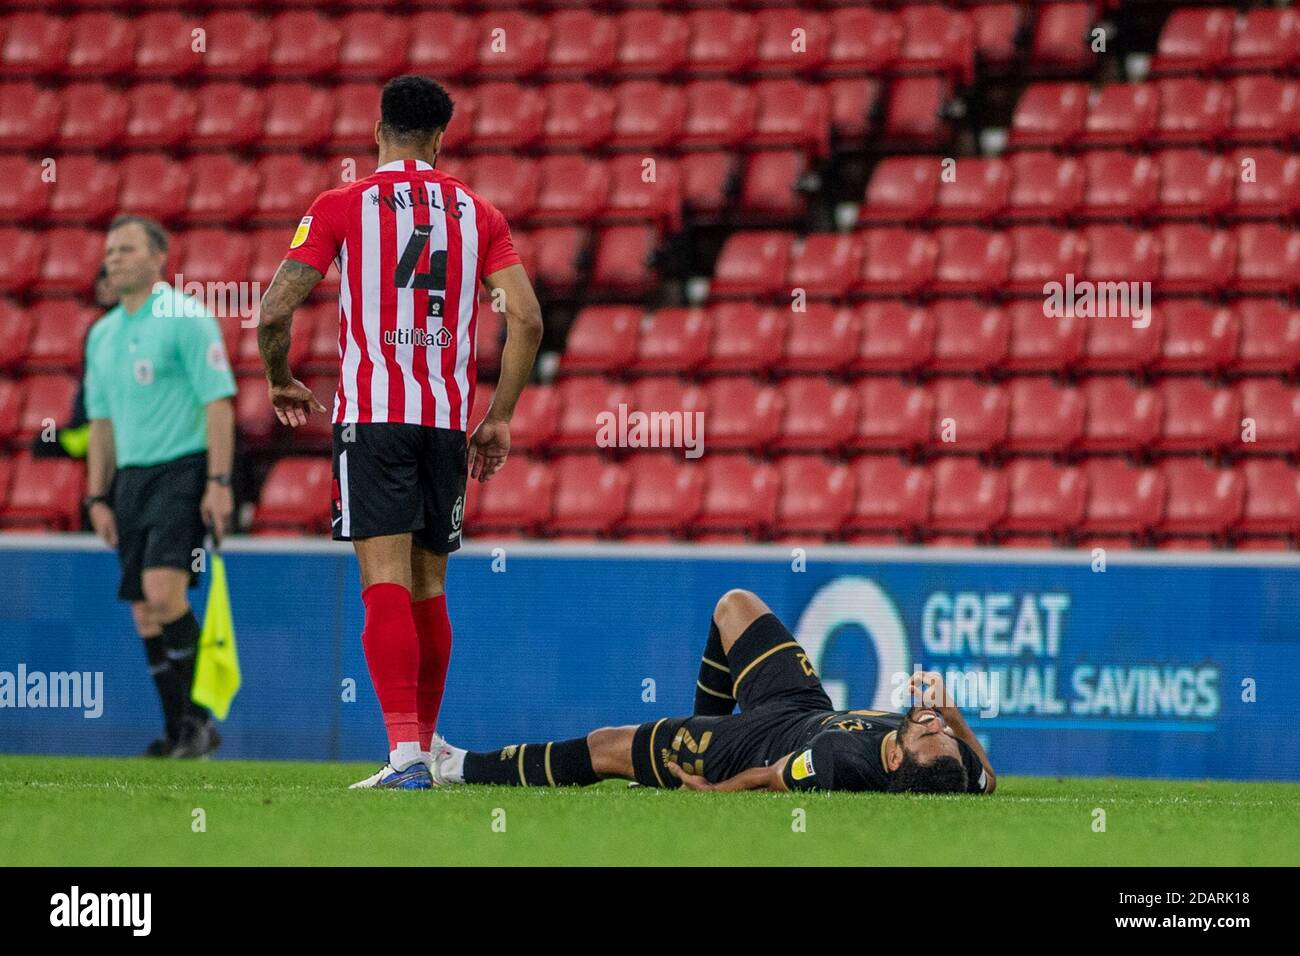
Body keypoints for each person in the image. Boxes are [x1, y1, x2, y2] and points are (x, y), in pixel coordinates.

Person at [256, 76, 543, 789]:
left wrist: (279, 377)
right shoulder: (481, 214)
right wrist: (498, 416)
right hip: (445, 423)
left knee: (381, 581)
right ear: (440, 139)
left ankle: (405, 756)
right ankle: (429, 748)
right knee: (429, 587)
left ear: (377, 130)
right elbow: (528, 320)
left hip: (375, 417)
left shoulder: (343, 204)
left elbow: (273, 309)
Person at [430, 590, 998, 795]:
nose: (934, 724)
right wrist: (954, 716)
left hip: (751, 746)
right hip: (804, 705)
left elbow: (771, 778)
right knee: (734, 606)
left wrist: (715, 791)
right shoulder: (949, 770)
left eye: (929, 728)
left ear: (895, 756)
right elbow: (987, 777)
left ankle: (458, 766)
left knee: (607, 747)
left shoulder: (838, 762)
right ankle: (702, 723)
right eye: (942, 731)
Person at [83, 215, 237, 757]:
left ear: (157, 258)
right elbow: (100, 423)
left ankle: (198, 720)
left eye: (126, 248)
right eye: (109, 249)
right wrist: (96, 496)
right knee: (144, 609)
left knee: (163, 591)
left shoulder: (185, 317)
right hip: (131, 477)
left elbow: (218, 402)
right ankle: (181, 729)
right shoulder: (101, 335)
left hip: (182, 467)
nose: (113, 258)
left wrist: (218, 482)